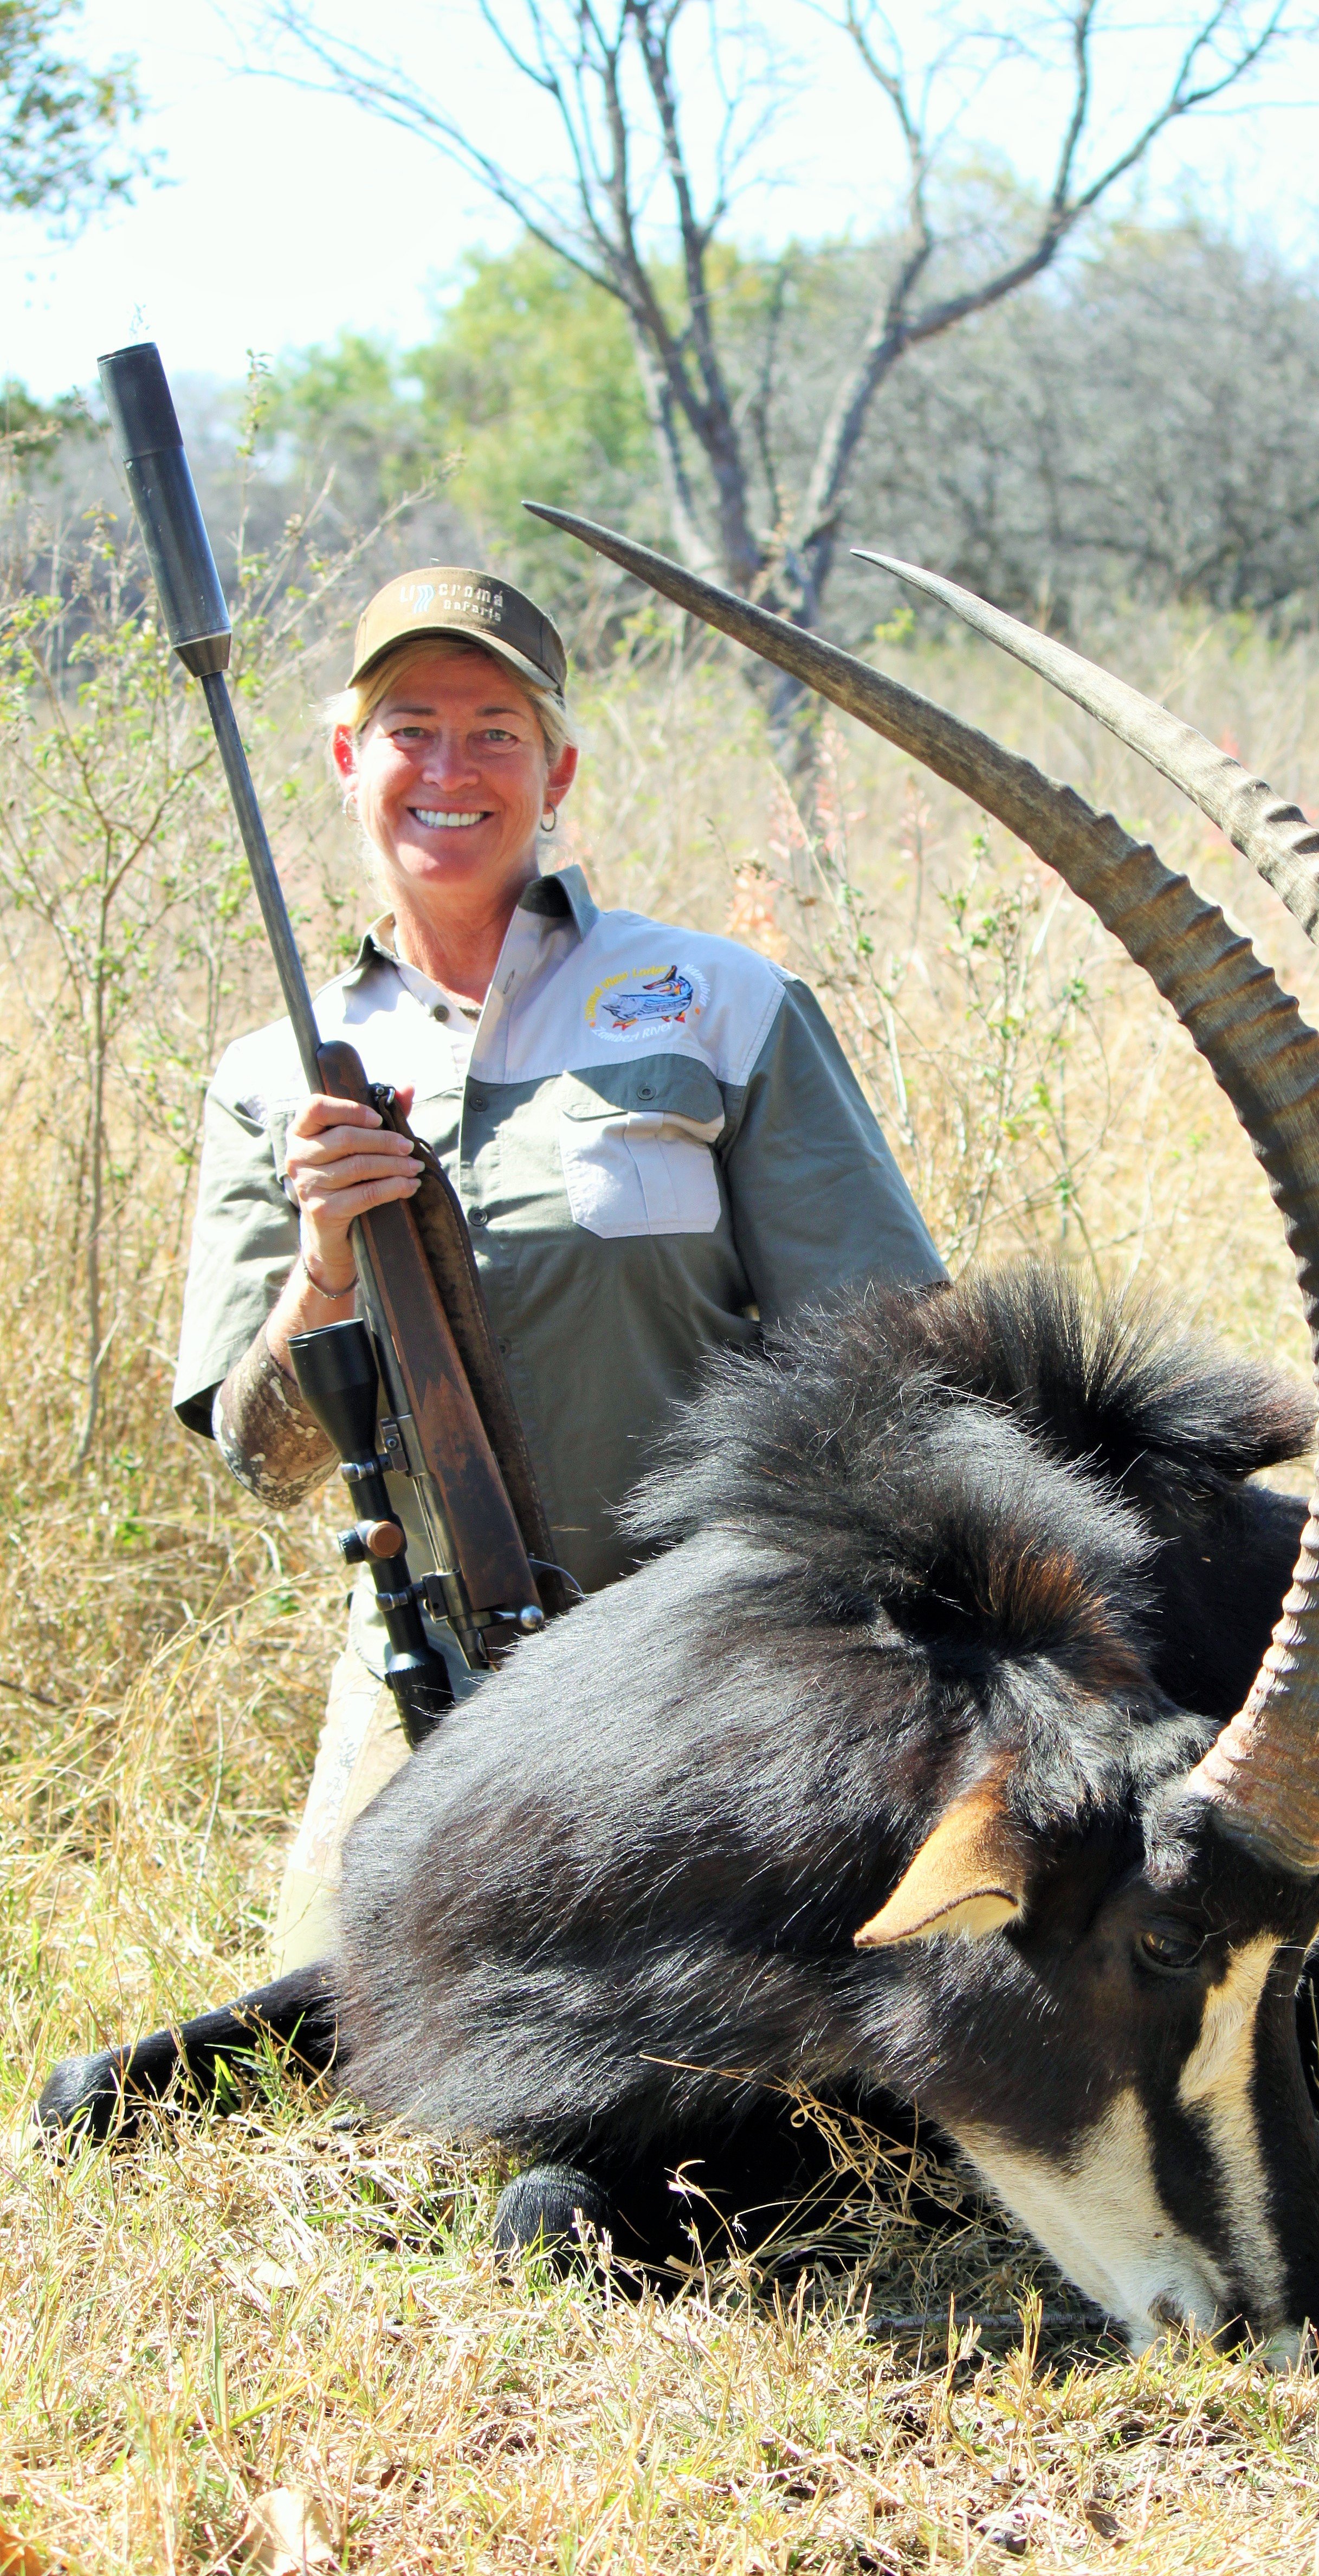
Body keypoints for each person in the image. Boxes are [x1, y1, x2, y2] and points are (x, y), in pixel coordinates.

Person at [173, 565, 946, 1976]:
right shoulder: (271, 1075)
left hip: (716, 1638)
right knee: (344, 2045)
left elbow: (883, 1355)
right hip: (428, 1657)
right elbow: (262, 1457)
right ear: (350, 761)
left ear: (558, 770)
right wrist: (327, 1264)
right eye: (411, 726)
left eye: (495, 730)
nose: (449, 769)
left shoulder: (721, 1002)